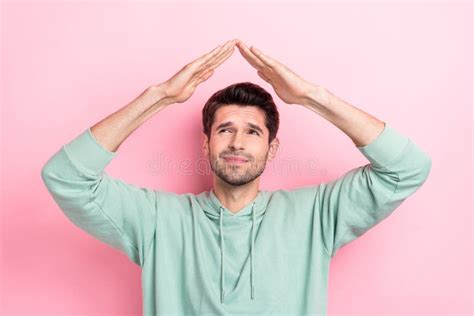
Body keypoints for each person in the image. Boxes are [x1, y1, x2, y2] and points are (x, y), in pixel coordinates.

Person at [41, 38, 432, 315]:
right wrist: (159, 96)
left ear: (271, 148)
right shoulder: (157, 219)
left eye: (253, 131)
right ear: (206, 144)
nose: (237, 143)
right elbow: (66, 177)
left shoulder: (316, 214)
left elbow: (407, 168)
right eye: (225, 129)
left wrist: (312, 97)